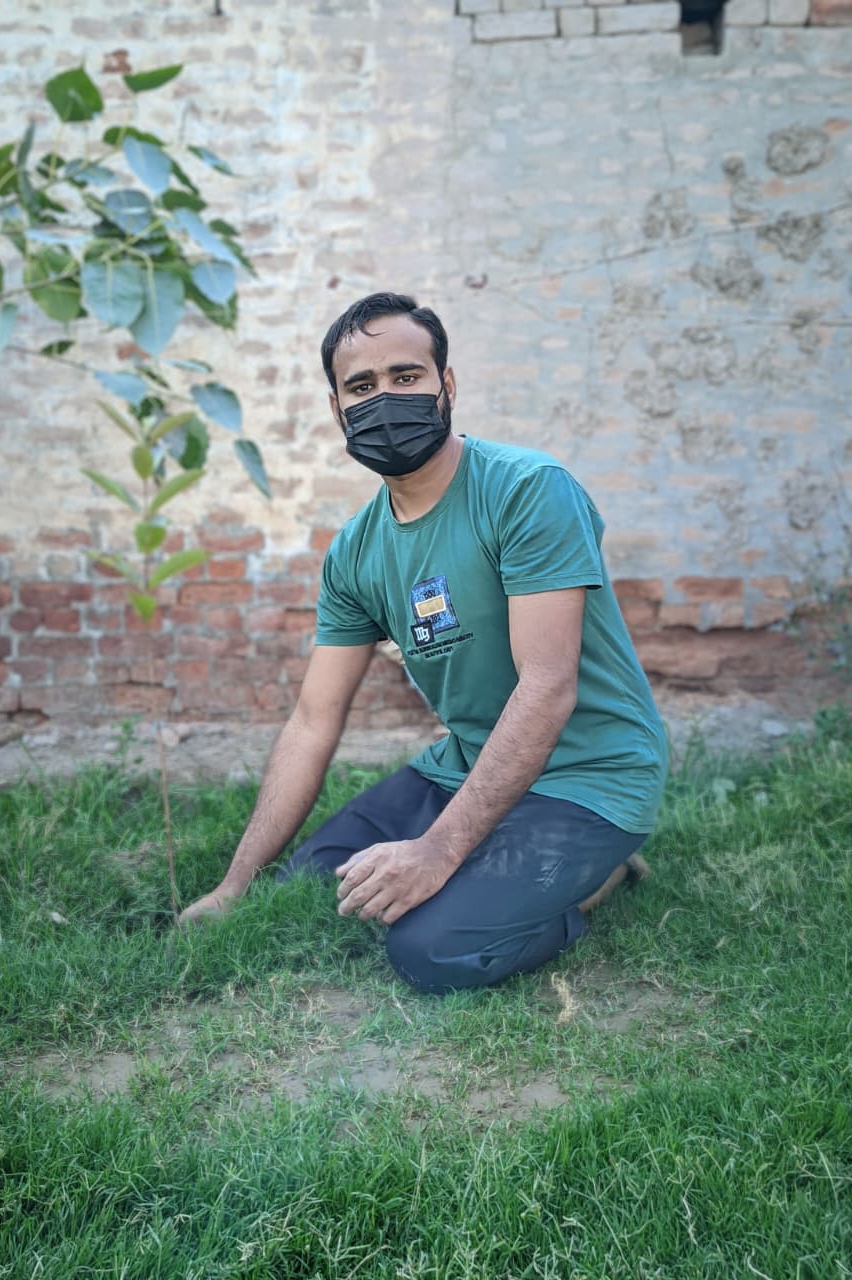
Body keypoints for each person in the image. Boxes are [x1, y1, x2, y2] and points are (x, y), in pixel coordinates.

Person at [178, 292, 669, 994]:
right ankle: (488, 859)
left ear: (447, 384)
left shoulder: (528, 490)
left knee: (430, 950)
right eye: (362, 386)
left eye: (406, 376)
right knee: (319, 887)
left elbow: (548, 685)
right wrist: (233, 885)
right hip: (465, 766)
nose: (385, 398)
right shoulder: (356, 552)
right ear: (337, 408)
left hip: (590, 776)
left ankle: (600, 879)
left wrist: (439, 852)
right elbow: (314, 721)